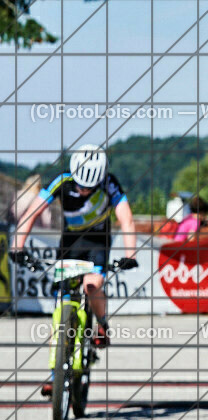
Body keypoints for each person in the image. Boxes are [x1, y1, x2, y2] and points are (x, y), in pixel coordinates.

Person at [11, 144, 139, 396]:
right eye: (80, 185)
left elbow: (126, 218)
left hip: (98, 241)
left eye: (88, 188)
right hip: (70, 243)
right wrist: (17, 246)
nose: (82, 190)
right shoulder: (62, 181)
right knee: (62, 302)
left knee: (92, 284)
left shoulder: (109, 183)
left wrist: (129, 254)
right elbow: (31, 212)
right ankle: (55, 373)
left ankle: (101, 324)